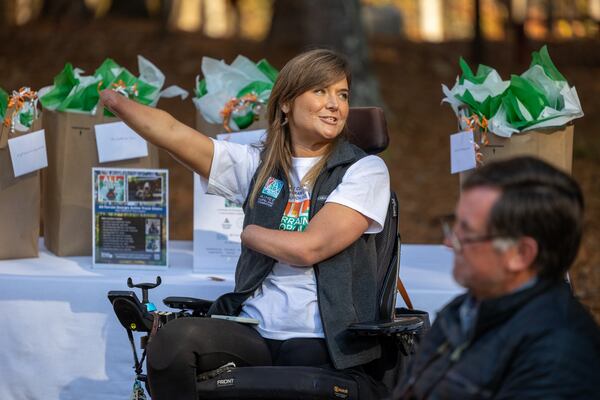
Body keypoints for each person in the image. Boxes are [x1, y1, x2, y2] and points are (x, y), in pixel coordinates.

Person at [100, 49, 390, 400]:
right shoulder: (258, 164)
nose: (335, 104)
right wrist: (117, 103)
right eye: (320, 91)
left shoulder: (364, 170)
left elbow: (308, 248)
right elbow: (173, 133)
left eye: (342, 95)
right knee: (171, 343)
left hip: (322, 337)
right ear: (285, 103)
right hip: (252, 328)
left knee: (291, 385)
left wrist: (251, 233)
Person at [394, 156, 600, 399]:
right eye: (454, 225)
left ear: (521, 254)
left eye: (466, 233)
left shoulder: (559, 354)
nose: (448, 243)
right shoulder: (466, 309)